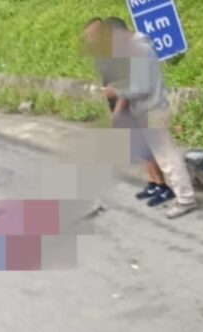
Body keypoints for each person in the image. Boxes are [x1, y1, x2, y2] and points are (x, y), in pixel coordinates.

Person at [83, 17, 197, 218]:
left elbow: (141, 88)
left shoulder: (139, 50)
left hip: (153, 110)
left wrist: (116, 91)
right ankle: (183, 195)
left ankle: (185, 199)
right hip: (149, 109)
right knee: (164, 156)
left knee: (167, 156)